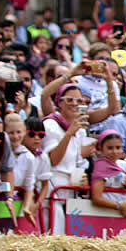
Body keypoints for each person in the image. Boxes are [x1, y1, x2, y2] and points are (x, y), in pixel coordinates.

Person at [42, 82, 93, 233]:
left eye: (79, 101)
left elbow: (79, 163)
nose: (75, 104)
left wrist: (84, 180)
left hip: (71, 191)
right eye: (69, 100)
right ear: (59, 102)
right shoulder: (50, 124)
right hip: (53, 188)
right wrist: (69, 134)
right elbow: (53, 160)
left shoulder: (80, 130)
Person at [89, 130, 126, 219]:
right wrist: (118, 206)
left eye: (118, 148)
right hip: (103, 213)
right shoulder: (100, 166)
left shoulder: (124, 165)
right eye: (110, 148)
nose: (114, 152)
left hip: (122, 213)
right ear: (101, 149)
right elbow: (96, 198)